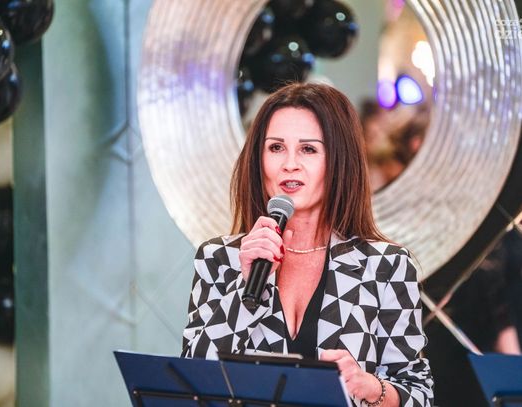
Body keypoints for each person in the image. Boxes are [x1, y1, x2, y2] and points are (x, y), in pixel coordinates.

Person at [182, 83, 434, 407]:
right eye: (276, 147)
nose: (290, 164)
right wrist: (244, 290)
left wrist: (371, 387)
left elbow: (419, 393)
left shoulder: (386, 266)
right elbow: (192, 382)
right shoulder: (219, 258)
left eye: (308, 149)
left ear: (339, 160)